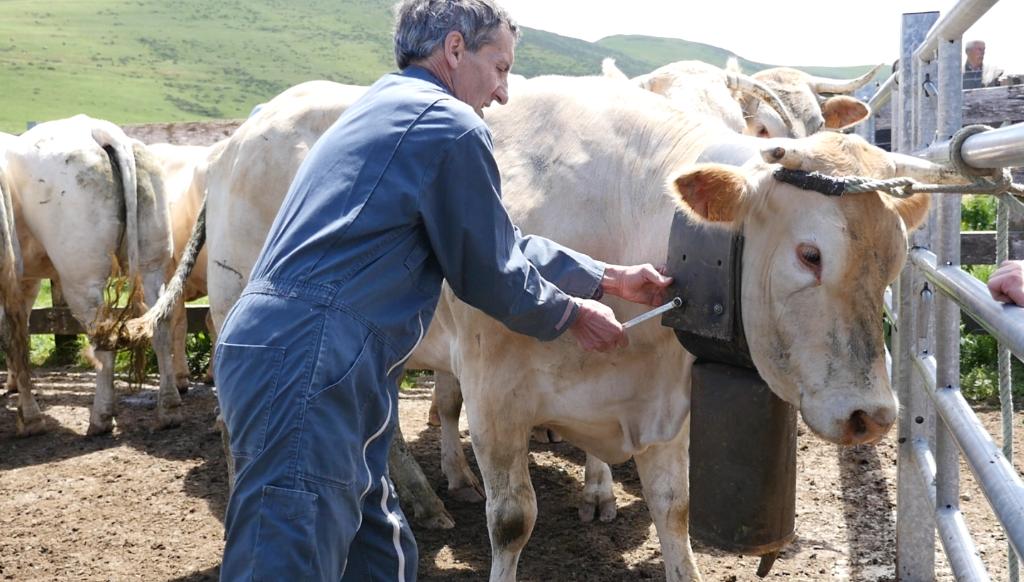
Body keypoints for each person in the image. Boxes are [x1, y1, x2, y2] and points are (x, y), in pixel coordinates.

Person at [212, 1, 674, 580]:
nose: (504, 93)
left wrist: (610, 277)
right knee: (287, 560)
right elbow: (491, 273)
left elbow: (500, 242)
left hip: (303, 353)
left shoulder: (381, 108)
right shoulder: (447, 124)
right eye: (500, 68)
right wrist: (574, 315)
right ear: (455, 50)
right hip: (314, 360)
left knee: (381, 556)